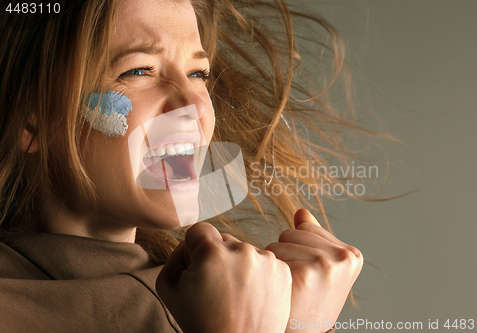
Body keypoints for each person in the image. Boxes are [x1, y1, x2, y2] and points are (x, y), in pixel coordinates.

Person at [0, 0, 366, 332]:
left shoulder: (233, 290)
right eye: (140, 71)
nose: (193, 107)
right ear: (33, 122)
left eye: (198, 74)